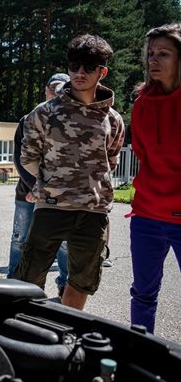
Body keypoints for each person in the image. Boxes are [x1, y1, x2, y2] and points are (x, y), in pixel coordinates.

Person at [14, 34, 125, 310]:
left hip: (93, 211)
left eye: (88, 67)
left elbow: (110, 160)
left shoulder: (113, 118)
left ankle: (65, 334)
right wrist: (44, 187)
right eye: (74, 65)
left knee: (81, 282)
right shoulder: (45, 112)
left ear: (103, 71)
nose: (79, 73)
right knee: (29, 278)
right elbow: (28, 157)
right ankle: (25, 331)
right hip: (52, 207)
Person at [128, 22, 181, 333]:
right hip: (147, 214)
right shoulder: (142, 102)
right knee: (143, 294)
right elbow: (143, 153)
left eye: (164, 54)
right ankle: (139, 350)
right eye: (150, 54)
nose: (153, 60)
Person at [8, 73, 69, 298]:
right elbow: (20, 157)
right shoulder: (29, 119)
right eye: (52, 88)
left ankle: (65, 286)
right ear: (46, 90)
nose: (55, 93)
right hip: (27, 193)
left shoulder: (70, 120)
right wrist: (35, 187)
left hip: (59, 197)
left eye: (61, 89)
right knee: (20, 240)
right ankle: (13, 283)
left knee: (63, 243)